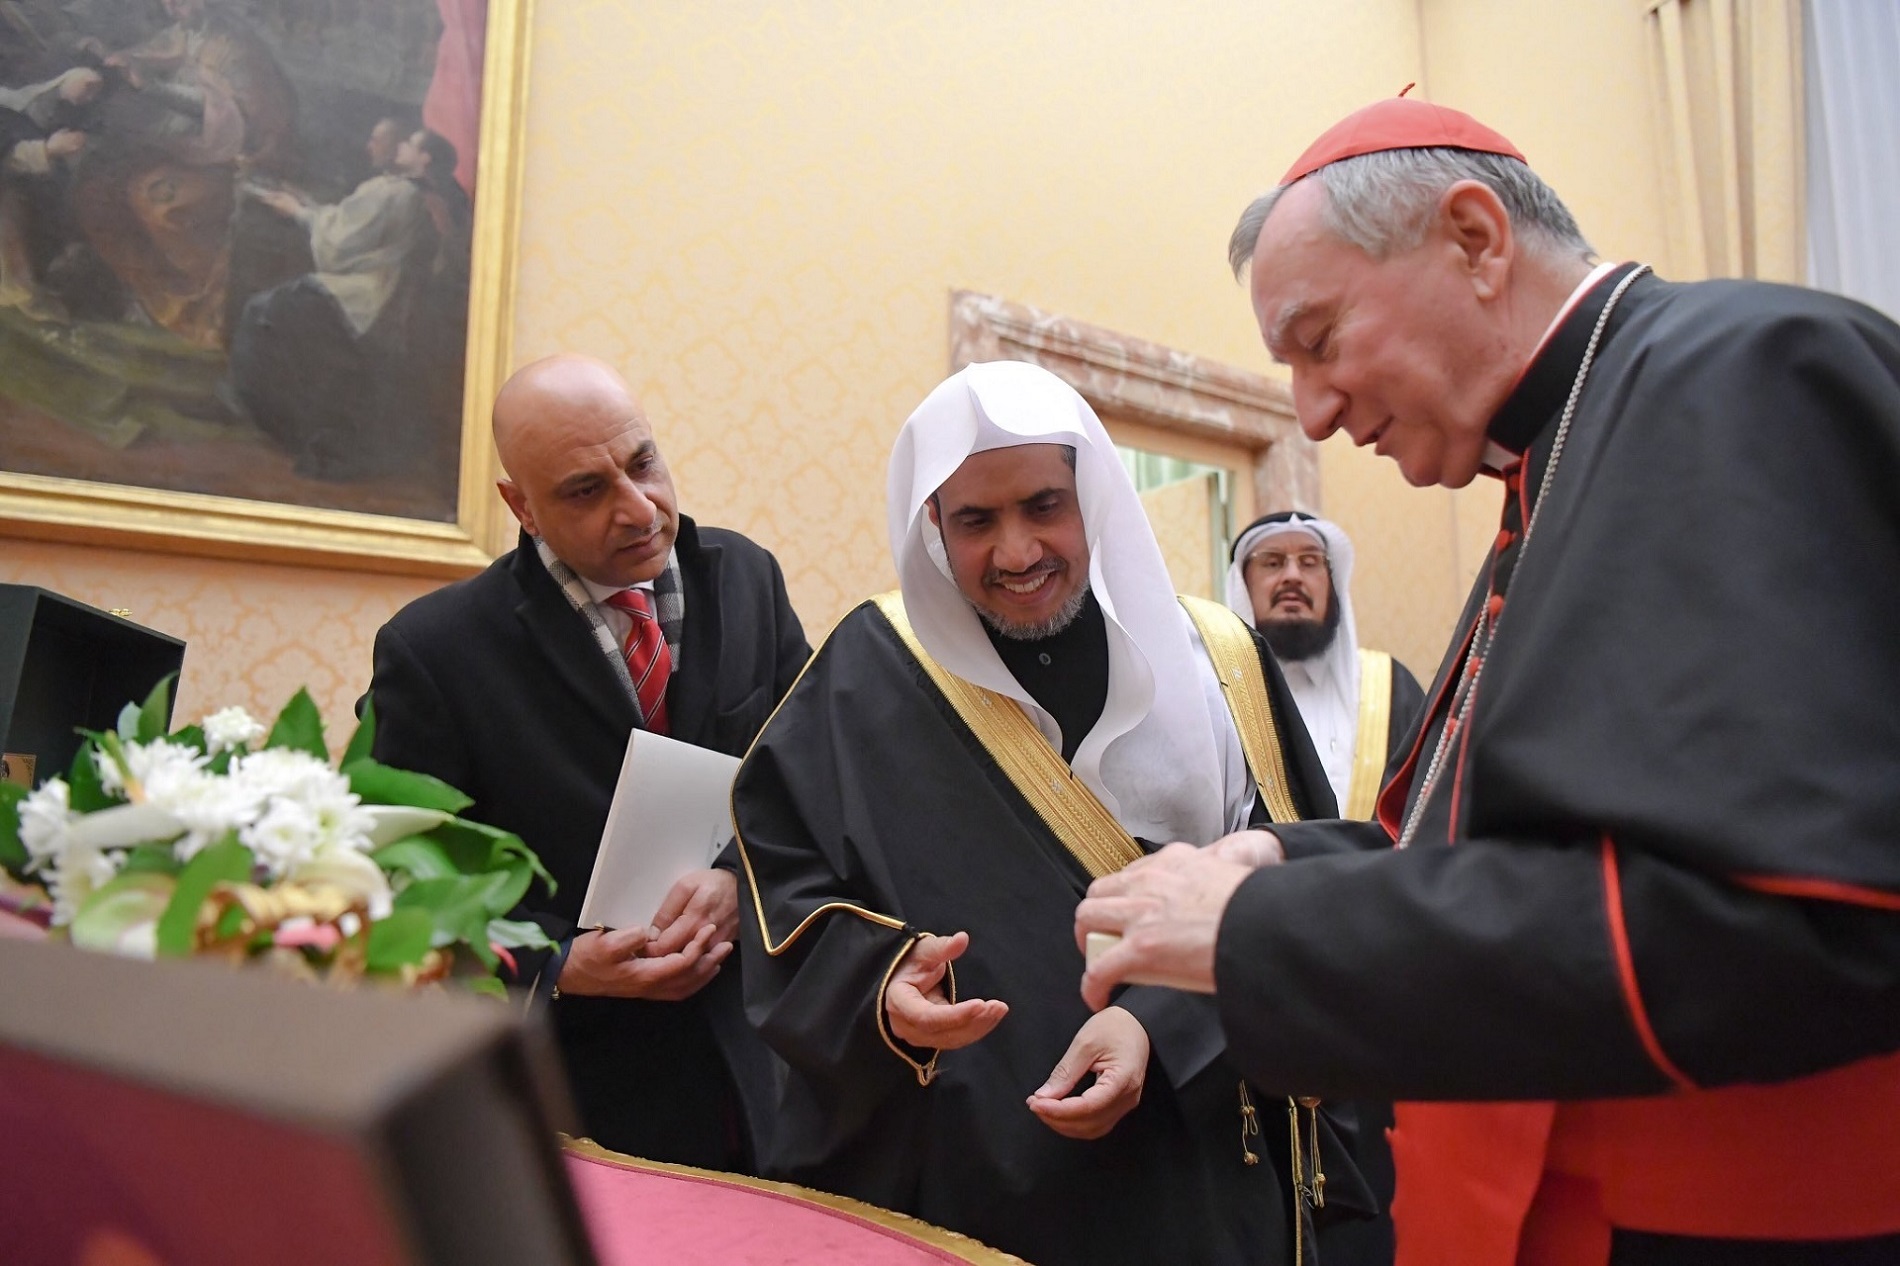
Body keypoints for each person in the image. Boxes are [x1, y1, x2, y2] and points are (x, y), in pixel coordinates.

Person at [1076, 95, 1900, 1265]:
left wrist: (1257, 928)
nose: (1311, 408)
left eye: (1318, 341)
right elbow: (1518, 855)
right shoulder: (1555, 460)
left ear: (1473, 239)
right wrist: (1280, 856)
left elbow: (1772, 922)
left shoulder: (1736, 374)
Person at [733, 360, 1363, 1266]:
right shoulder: (869, 671)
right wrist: (881, 983)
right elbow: (776, 884)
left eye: (1042, 507)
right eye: (976, 521)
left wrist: (1157, 1022)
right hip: (966, 1171)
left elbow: (1306, 879)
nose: (1018, 552)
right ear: (933, 529)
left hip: (1193, 1153)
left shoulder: (1217, 660)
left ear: (1092, 499)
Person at [365, 353, 811, 1170]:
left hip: (764, 1078)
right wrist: (560, 965)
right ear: (521, 507)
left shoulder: (749, 578)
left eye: (643, 464)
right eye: (586, 491)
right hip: (573, 1103)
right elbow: (407, 888)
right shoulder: (434, 653)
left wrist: (738, 883)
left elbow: (810, 785)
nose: (639, 508)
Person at [230, 119, 441, 481]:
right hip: (374, 295)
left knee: (262, 314)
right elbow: (352, 226)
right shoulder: (410, 195)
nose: (370, 146)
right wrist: (308, 206)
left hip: (361, 297)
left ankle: (287, 430)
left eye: (385, 141)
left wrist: (296, 211)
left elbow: (340, 246)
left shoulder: (394, 192)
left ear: (422, 157)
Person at [1228, 511, 1424, 819]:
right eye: (1272, 562)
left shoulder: (1388, 686)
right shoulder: (1216, 690)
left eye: (1310, 562)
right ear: (1242, 584)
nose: (1293, 576)